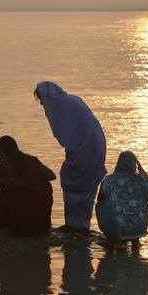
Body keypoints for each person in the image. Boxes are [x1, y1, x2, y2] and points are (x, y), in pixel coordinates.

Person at [35, 81, 106, 233]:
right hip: (92, 146)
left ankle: (77, 226)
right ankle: (77, 224)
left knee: (75, 179)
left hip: (86, 148)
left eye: (42, 101)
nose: (43, 105)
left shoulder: (61, 106)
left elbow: (67, 134)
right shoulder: (71, 101)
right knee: (77, 180)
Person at [96, 150, 148, 246]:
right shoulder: (141, 181)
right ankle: (135, 241)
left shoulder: (108, 181)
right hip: (140, 227)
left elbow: (100, 199)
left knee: (101, 205)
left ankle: (114, 237)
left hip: (118, 227)